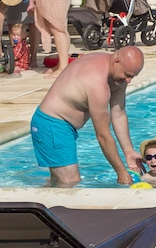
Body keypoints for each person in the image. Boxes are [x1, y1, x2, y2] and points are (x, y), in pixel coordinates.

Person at [29, 46, 145, 187]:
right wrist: (121, 172)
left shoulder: (116, 75)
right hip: (52, 124)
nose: (128, 81)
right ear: (116, 61)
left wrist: (128, 151)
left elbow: (118, 113)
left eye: (132, 76)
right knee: (69, 182)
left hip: (63, 127)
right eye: (127, 75)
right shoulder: (97, 84)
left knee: (59, 182)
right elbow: (103, 136)